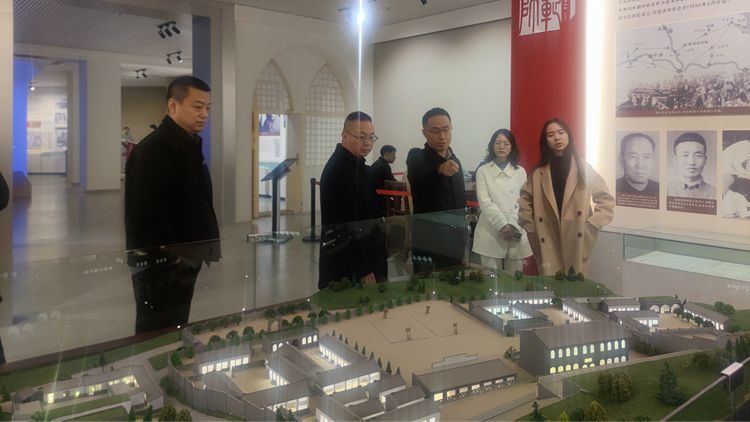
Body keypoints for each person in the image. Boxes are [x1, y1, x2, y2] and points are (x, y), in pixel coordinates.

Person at [125, 76, 220, 334]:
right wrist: (172, 258)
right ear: (173, 106)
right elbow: (148, 215)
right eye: (197, 107)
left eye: (207, 108)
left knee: (175, 323)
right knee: (157, 329)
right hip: (162, 265)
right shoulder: (155, 149)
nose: (204, 114)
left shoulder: (187, 143)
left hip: (184, 258)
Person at [518, 118, 614, 276]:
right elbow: (524, 200)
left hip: (576, 238)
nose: (557, 137)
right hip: (547, 236)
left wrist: (591, 226)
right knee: (552, 285)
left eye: (561, 132)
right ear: (545, 141)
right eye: (550, 135)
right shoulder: (538, 173)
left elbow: (606, 200)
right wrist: (531, 229)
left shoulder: (583, 169)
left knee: (575, 285)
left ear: (568, 135)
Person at [318, 111, 385, 289]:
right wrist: (363, 267)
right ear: (344, 136)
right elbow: (346, 225)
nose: (367, 142)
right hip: (349, 264)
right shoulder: (341, 170)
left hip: (357, 254)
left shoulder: (355, 165)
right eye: (361, 137)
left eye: (371, 137)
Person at [407, 107, 467, 272]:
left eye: (446, 130)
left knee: (454, 281)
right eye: (435, 131)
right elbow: (418, 178)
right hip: (428, 239)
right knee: (426, 284)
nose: (442, 136)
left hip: (456, 237)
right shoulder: (416, 157)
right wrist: (439, 170)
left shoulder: (455, 160)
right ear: (424, 132)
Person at [472, 129, 532, 274]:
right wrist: (502, 225)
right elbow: (485, 202)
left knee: (515, 279)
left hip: (515, 229)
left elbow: (522, 202)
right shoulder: (483, 171)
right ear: (492, 146)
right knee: (492, 278)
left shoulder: (520, 171)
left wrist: (512, 225)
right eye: (498, 143)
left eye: (506, 143)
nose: (501, 147)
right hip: (490, 231)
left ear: (512, 147)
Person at [667, 132, 716, 199]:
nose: (691, 162)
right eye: (685, 155)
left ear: (705, 160)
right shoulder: (664, 190)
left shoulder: (715, 193)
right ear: (675, 159)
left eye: (698, 155)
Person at [371, 145, 397, 217]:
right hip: (382, 202)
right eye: (393, 154)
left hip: (373, 200)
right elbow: (392, 184)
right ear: (387, 154)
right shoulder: (385, 166)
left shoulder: (375, 164)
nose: (395, 157)